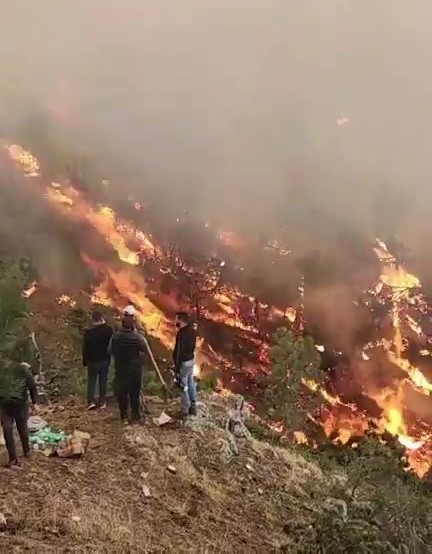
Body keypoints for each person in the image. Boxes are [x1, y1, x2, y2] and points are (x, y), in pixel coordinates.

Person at [109, 305, 147, 423]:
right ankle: (135, 416)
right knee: (134, 394)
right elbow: (144, 347)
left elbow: (110, 351)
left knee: (122, 394)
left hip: (121, 370)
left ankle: (124, 416)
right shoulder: (137, 337)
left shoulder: (116, 336)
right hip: (135, 370)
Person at [0, 362, 37, 468]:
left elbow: (32, 385)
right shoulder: (22, 370)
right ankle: (18, 455)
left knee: (16, 428)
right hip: (10, 404)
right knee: (13, 428)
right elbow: (32, 386)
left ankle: (21, 453)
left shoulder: (21, 370)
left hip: (13, 403)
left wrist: (34, 402)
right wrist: (34, 402)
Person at [82, 310, 113, 410]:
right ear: (101, 319)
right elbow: (111, 344)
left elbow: (85, 348)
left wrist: (85, 360)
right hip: (104, 359)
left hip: (92, 361)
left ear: (93, 320)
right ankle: (102, 401)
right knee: (103, 381)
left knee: (92, 381)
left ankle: (91, 401)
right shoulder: (108, 330)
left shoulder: (89, 333)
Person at [173, 311, 197, 418]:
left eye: (176, 319)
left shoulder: (181, 333)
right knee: (190, 382)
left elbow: (179, 352)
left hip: (183, 363)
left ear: (181, 320)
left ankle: (184, 410)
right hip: (191, 361)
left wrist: (177, 369)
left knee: (182, 386)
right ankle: (193, 405)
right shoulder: (192, 331)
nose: (175, 321)